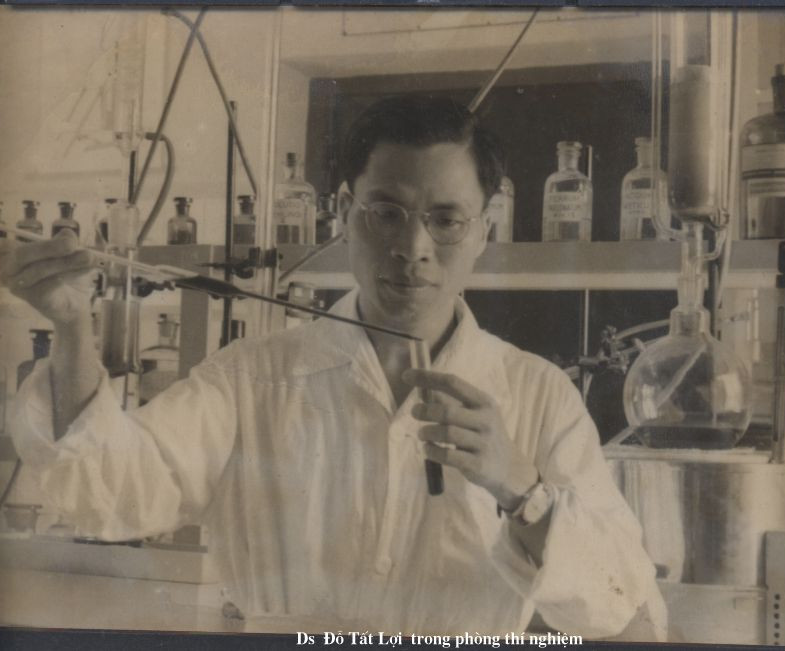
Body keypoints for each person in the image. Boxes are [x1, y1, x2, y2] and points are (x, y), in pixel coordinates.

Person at [3, 95, 666, 638]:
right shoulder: (249, 380)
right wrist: (72, 326)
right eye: (387, 214)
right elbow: (105, 493)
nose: (413, 247)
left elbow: (620, 603)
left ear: (483, 231)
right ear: (347, 215)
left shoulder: (538, 396)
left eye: (445, 220)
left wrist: (523, 490)